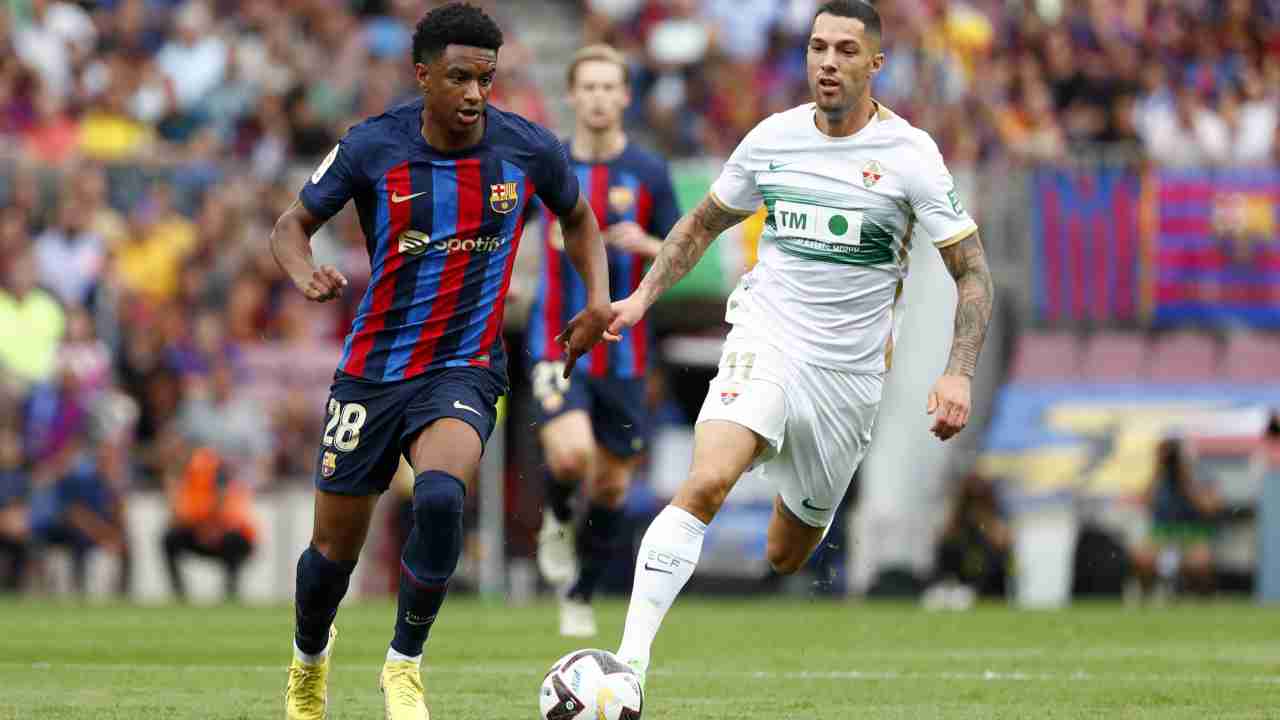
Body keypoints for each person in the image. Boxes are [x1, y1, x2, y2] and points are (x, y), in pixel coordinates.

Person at [603, 0, 995, 689]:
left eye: (846, 50)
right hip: (768, 337)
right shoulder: (773, 138)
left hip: (847, 380)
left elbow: (972, 273)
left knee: (787, 554)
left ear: (876, 63)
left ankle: (793, 479)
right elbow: (701, 224)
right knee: (707, 481)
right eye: (818, 48)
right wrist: (640, 299)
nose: (828, 63)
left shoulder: (910, 156)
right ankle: (626, 667)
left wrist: (958, 371)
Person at [270, 4, 613, 719]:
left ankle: (404, 665)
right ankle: (308, 663)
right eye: (459, 77)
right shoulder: (372, 146)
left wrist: (598, 301)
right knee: (331, 555)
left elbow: (579, 218)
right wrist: (304, 273)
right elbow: (292, 226)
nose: (475, 94)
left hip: (464, 366)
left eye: (486, 79)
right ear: (423, 75)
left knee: (438, 497)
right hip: (373, 371)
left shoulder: (528, 149)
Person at [529, 44, 680, 638]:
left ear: (624, 96)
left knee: (613, 485)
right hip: (555, 338)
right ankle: (556, 516)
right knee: (572, 456)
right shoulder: (547, 165)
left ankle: (581, 593)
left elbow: (681, 251)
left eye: (608, 86)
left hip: (625, 352)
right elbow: (508, 230)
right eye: (587, 86)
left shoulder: (649, 172)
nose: (597, 97)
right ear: (572, 95)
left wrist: (646, 244)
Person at [1130, 438, 1223, 600]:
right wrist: (1158, 470)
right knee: (1142, 558)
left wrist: (1186, 479)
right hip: (1161, 533)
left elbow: (1210, 508)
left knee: (1199, 563)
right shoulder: (1158, 476)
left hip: (1193, 532)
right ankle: (1146, 597)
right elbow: (1143, 502)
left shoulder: (1200, 473)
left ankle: (1202, 599)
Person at [161, 444, 256, 602]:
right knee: (169, 538)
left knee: (235, 540)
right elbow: (178, 517)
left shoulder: (231, 488)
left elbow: (236, 520)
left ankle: (230, 592)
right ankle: (179, 594)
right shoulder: (189, 486)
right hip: (199, 534)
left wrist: (214, 527)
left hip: (226, 538)